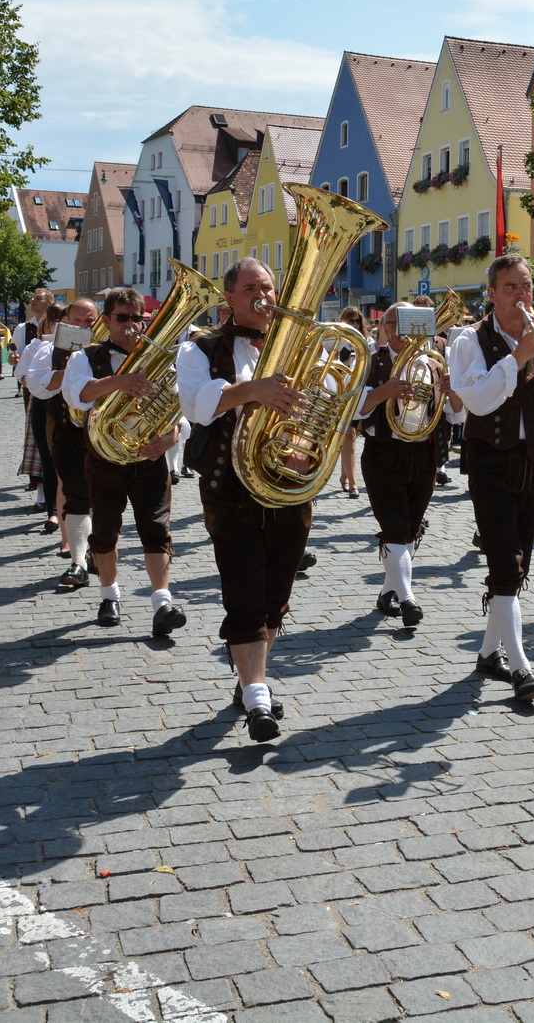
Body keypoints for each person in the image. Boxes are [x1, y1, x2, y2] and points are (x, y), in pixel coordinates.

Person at [176, 258, 319, 741]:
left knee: (276, 596)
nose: (263, 296)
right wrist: (253, 390)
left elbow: (325, 407)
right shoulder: (201, 348)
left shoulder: (302, 345)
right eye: (251, 288)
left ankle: (248, 682)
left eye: (269, 287)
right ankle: (258, 697)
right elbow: (196, 404)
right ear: (230, 298)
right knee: (243, 593)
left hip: (287, 486)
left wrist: (306, 448)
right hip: (230, 490)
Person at [447, 254, 534, 703]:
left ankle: (488, 653)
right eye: (511, 288)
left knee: (520, 564)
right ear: (491, 294)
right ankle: (521, 666)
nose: (522, 296)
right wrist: (519, 356)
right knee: (504, 563)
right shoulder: (469, 340)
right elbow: (478, 401)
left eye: (527, 287)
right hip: (491, 461)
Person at [63, 288, 184, 638]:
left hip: (149, 458)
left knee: (157, 530)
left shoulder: (158, 357)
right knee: (104, 532)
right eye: (122, 318)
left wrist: (171, 438)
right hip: (105, 459)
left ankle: (162, 603)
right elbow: (77, 394)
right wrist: (120, 382)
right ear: (107, 321)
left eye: (137, 318)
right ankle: (109, 596)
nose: (131, 325)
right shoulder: (85, 356)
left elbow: (180, 408)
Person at [353, 302, 447, 627]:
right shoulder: (371, 361)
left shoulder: (433, 363)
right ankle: (408, 599)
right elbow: (354, 409)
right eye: (398, 323)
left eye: (413, 324)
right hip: (383, 453)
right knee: (394, 529)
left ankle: (387, 593)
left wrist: (451, 393)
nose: (406, 331)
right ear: (385, 327)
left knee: (409, 531)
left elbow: (453, 413)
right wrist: (384, 392)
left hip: (423, 455)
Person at [28, 297, 99, 587]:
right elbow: (36, 385)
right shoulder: (49, 349)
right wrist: (70, 370)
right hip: (66, 428)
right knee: (71, 487)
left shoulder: (107, 349)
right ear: (65, 321)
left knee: (101, 492)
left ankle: (96, 550)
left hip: (102, 430)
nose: (82, 327)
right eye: (76, 321)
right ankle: (76, 555)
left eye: (89, 322)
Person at [18, 306, 66, 545]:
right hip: (44, 406)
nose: (57, 327)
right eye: (52, 323)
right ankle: (53, 511)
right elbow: (25, 377)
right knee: (49, 461)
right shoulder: (38, 347)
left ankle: (70, 516)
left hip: (71, 407)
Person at [337, 306, 369, 499]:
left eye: (358, 321)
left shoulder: (365, 341)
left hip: (357, 394)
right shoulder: (337, 340)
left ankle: (345, 477)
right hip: (340, 394)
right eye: (351, 321)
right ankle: (352, 483)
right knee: (348, 435)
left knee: (351, 436)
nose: (355, 324)